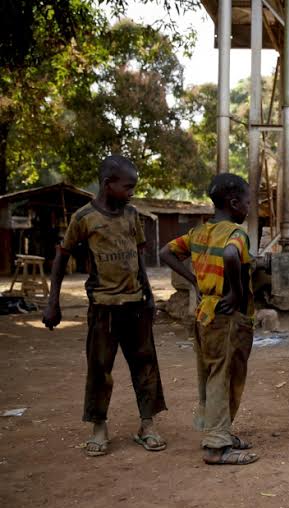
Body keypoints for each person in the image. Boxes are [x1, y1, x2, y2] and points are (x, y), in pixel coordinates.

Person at [42, 155, 166, 457]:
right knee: (99, 369)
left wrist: (149, 297)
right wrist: (52, 302)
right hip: (103, 308)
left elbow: (138, 259)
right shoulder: (84, 218)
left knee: (146, 366)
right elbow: (61, 258)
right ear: (108, 184)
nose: (132, 192)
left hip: (135, 305)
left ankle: (146, 425)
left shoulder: (132, 215)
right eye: (128, 186)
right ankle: (99, 426)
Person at [160, 173, 258, 465]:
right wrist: (236, 293)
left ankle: (221, 431)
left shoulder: (198, 233)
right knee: (224, 375)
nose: (249, 208)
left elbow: (165, 252)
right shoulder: (236, 234)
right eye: (248, 202)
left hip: (205, 314)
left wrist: (195, 281)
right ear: (234, 202)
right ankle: (216, 445)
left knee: (213, 373)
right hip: (227, 318)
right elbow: (231, 255)